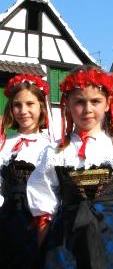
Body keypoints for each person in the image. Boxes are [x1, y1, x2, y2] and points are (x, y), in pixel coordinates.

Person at [27, 68, 113, 269]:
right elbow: (43, 210)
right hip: (67, 241)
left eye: (95, 101)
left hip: (112, 239)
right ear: (68, 106)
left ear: (108, 104)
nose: (87, 109)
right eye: (80, 102)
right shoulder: (54, 153)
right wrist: (45, 256)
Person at [0, 74, 52, 269]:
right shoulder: (4, 144)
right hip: (6, 221)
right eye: (17, 105)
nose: (23, 111)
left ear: (41, 106)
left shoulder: (51, 147)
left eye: (30, 104)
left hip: (38, 223)